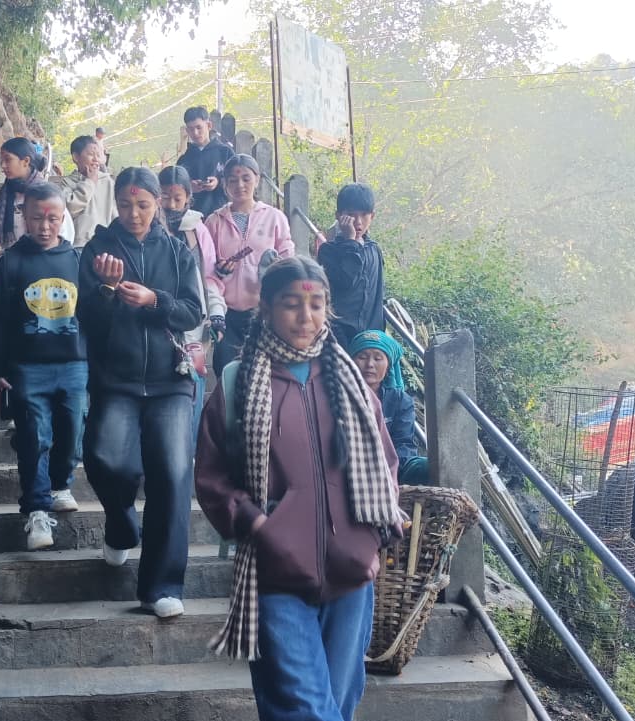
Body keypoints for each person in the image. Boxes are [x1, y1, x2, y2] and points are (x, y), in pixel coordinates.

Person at [194, 256, 404, 721]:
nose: (305, 317)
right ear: (266, 308)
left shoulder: (352, 383)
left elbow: (385, 463)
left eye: (316, 304)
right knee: (303, 708)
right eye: (292, 304)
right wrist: (258, 523)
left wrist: (373, 537)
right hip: (274, 571)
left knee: (338, 704)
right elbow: (211, 476)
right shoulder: (238, 383)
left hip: (351, 571)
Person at [77, 167, 204, 618]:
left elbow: (192, 312)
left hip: (171, 381)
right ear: (116, 204)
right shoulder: (97, 251)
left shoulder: (178, 251)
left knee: (172, 473)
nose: (134, 213)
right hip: (116, 379)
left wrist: (155, 301)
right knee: (106, 459)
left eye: (144, 205)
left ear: (159, 204)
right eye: (126, 205)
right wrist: (106, 290)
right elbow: (85, 320)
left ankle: (162, 586)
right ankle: (121, 523)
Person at [0, 183, 87, 550]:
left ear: (63, 218)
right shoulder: (11, 262)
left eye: (53, 219)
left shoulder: (77, 260)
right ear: (24, 218)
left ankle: (60, 484)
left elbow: (92, 314)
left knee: (72, 430)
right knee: (33, 436)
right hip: (27, 367)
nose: (45, 226)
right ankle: (37, 509)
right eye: (36, 219)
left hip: (74, 363)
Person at [205, 154, 295, 375]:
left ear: (257, 180)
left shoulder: (275, 218)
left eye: (246, 178)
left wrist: (274, 270)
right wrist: (219, 273)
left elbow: (289, 263)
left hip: (264, 311)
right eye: (233, 180)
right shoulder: (214, 221)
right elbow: (207, 270)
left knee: (264, 372)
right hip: (226, 312)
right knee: (226, 370)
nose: (240, 185)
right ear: (224, 183)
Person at [158, 164, 226, 447]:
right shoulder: (149, 226)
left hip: (193, 323)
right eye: (165, 196)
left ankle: (189, 454)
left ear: (189, 197)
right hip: (157, 319)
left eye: (178, 198)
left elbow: (208, 277)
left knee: (193, 388)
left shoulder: (198, 229)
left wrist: (217, 313)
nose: (172, 204)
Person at [349, 330, 429, 485]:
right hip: (348, 467)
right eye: (362, 357)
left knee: (427, 467)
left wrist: (389, 469)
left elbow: (403, 442)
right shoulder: (337, 394)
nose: (370, 364)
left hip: (389, 468)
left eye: (378, 358)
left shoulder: (400, 400)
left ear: (388, 366)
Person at [317, 183, 385, 343]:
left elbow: (378, 294)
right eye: (351, 215)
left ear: (372, 216)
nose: (358, 222)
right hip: (338, 334)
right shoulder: (328, 251)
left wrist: (379, 334)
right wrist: (351, 242)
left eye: (364, 215)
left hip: (370, 337)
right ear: (339, 216)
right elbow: (347, 281)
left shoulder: (374, 249)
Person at [0, 137, 74, 249]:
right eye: (2, 161)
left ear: (26, 161)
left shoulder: (47, 195)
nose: (3, 165)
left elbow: (65, 233)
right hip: (12, 257)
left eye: (8, 159)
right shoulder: (4, 196)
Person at [58, 135, 117, 248]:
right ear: (76, 157)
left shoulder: (107, 182)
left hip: (105, 245)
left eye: (98, 155)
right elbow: (69, 209)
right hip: (78, 245)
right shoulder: (67, 182)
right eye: (91, 154)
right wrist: (89, 182)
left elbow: (115, 215)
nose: (96, 159)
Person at [177, 106, 235, 217]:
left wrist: (218, 182)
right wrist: (189, 187)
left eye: (199, 127)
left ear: (209, 125)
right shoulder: (184, 160)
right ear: (187, 131)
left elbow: (235, 181)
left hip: (221, 214)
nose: (195, 133)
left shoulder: (225, 152)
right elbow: (176, 188)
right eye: (191, 129)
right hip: (191, 216)